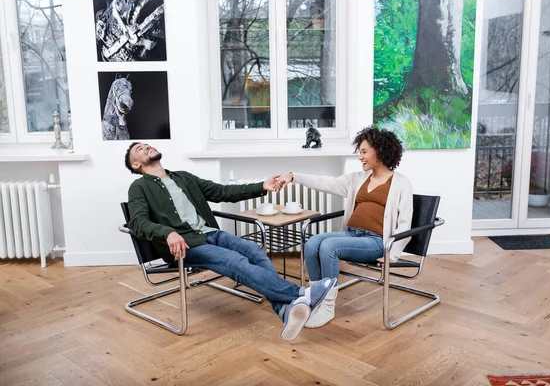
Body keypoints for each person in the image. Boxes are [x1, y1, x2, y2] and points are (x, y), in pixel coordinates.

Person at [124, 142, 336, 341]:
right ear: (136, 164)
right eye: (141, 149)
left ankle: (283, 309)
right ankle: (301, 293)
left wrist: (262, 186)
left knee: (254, 250)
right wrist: (167, 233)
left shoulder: (183, 178)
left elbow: (222, 191)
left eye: (147, 145)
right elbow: (138, 222)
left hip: (211, 234)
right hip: (186, 245)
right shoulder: (139, 187)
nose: (147, 147)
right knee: (235, 261)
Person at [274, 126, 413, 328]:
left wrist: (392, 254)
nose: (360, 157)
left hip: (375, 241)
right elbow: (326, 182)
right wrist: (294, 176)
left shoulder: (401, 184)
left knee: (330, 247)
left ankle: (327, 307)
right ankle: (315, 299)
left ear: (380, 152)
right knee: (313, 242)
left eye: (364, 152)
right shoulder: (358, 179)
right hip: (350, 234)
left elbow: (405, 222)